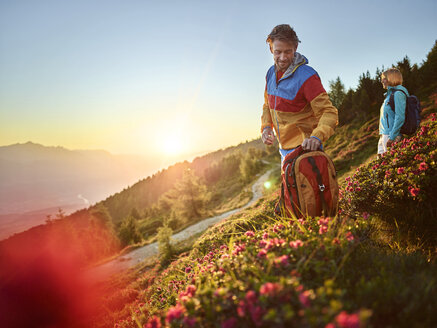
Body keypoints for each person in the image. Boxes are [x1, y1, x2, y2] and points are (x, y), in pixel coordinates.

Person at [260, 24, 338, 165]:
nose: (283, 58)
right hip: (283, 150)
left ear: (295, 48)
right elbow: (267, 105)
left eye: (288, 52)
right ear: (271, 49)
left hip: (306, 149)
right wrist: (266, 127)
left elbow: (329, 112)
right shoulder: (270, 74)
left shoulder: (307, 76)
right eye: (278, 52)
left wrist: (316, 137)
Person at [378, 68, 408, 155]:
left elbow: (400, 117)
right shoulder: (389, 95)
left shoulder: (398, 94)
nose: (382, 81)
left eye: (384, 78)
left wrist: (392, 137)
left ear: (391, 78)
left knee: (390, 165)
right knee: (380, 167)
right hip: (384, 135)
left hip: (390, 136)